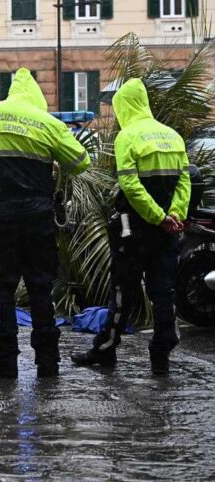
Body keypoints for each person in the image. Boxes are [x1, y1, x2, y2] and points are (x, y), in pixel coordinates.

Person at [0, 68, 91, 378]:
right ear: (37, 97)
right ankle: (47, 362)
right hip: (39, 219)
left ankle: (4, 360)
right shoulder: (48, 123)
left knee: (3, 289)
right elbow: (81, 162)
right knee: (41, 289)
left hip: (1, 217)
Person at [71, 78, 190, 375]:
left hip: (134, 229)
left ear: (125, 106)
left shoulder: (128, 137)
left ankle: (106, 349)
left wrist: (156, 217)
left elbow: (130, 184)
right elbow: (185, 181)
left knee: (123, 291)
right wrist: (173, 215)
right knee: (163, 290)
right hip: (168, 230)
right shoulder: (172, 136)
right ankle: (161, 353)